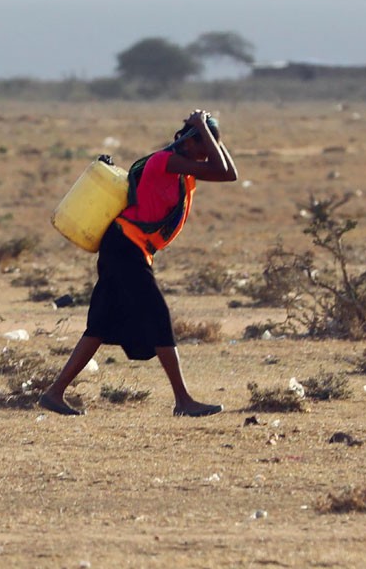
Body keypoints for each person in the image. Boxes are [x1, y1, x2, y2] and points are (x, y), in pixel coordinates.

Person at [39, 109, 237, 417]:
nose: (206, 154)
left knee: (101, 325)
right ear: (189, 142)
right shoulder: (165, 162)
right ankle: (183, 401)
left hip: (128, 248)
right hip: (125, 247)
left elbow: (228, 171)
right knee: (158, 316)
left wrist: (207, 132)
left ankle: (54, 392)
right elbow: (223, 170)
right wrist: (200, 126)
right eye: (204, 145)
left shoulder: (184, 167)